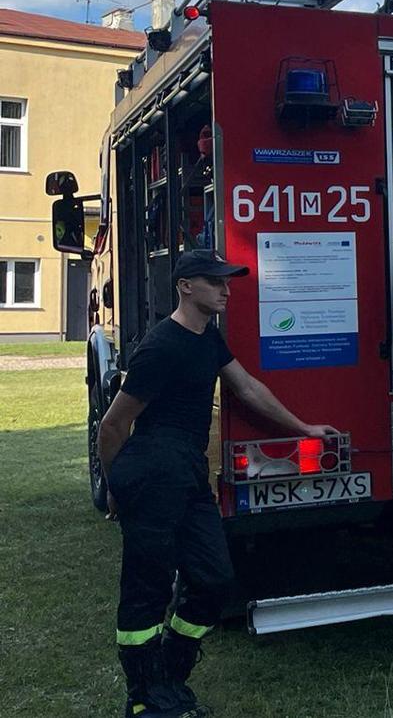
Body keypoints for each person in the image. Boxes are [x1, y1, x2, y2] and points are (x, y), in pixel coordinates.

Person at [98, 250, 337, 717]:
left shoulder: (207, 338)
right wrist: (115, 487)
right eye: (215, 281)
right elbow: (113, 425)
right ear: (186, 285)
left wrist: (303, 427)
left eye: (227, 282)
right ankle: (145, 696)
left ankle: (169, 675)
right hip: (151, 472)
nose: (226, 290)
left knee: (214, 579)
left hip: (187, 472)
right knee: (147, 589)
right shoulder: (160, 346)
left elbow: (246, 388)